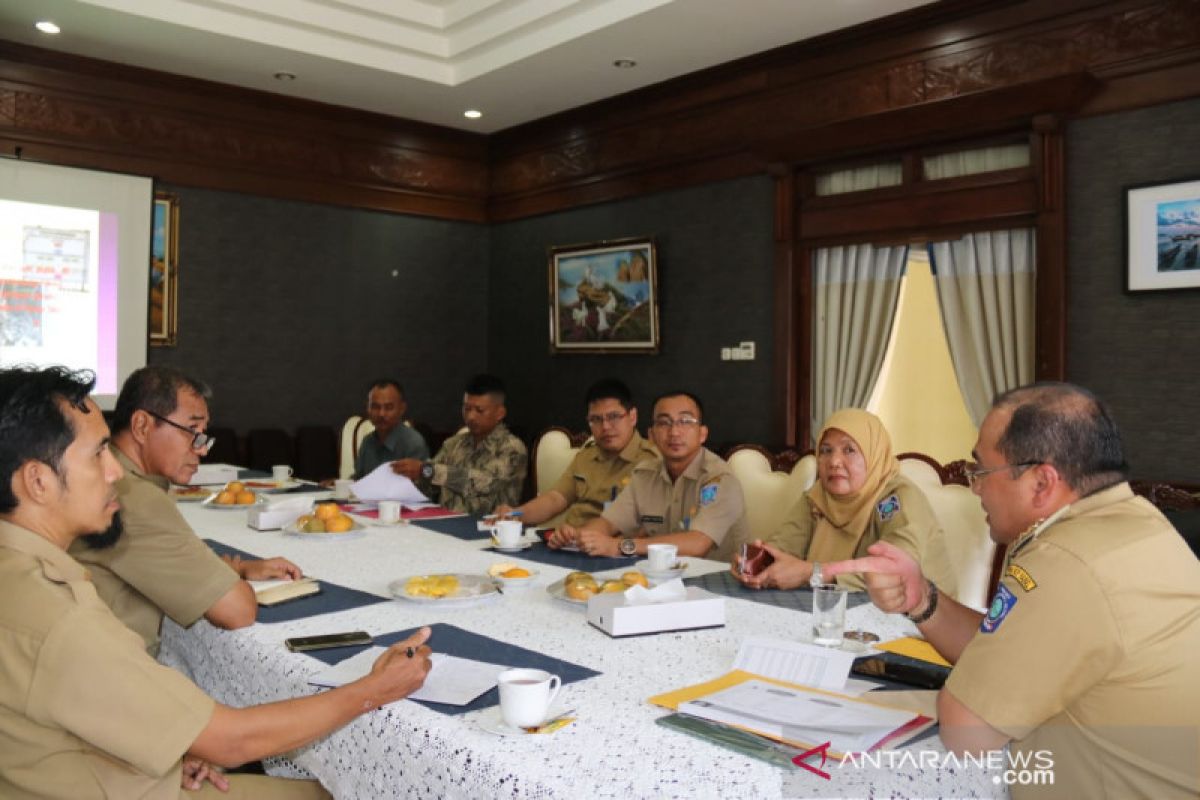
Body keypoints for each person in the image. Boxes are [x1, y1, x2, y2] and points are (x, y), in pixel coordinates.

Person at [0, 365, 433, 799]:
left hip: (78, 764)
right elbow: (233, 741)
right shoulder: (64, 617)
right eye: (97, 454)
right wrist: (375, 689)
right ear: (38, 481)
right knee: (335, 792)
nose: (115, 471)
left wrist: (167, 748)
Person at [824, 382, 1200, 798]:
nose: (975, 487)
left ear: (1041, 483)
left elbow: (966, 732)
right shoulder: (1137, 523)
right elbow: (1011, 649)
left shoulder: (1066, 562)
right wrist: (922, 599)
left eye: (981, 471)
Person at [70, 366, 302, 655]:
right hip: (112, 677)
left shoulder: (108, 481)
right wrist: (229, 580)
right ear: (142, 426)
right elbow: (237, 611)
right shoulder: (131, 495)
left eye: (203, 435)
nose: (202, 450)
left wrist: (237, 569)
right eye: (191, 431)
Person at [732, 408, 957, 596]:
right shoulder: (818, 496)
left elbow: (896, 570)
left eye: (849, 450)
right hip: (837, 612)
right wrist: (757, 562)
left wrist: (814, 573)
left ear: (874, 454)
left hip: (916, 622)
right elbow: (785, 546)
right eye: (826, 451)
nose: (834, 462)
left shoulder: (897, 498)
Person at [549, 390, 747, 561]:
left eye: (685, 421)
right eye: (664, 423)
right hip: (657, 578)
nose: (674, 432)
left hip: (717, 585)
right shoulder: (645, 474)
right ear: (651, 435)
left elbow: (697, 544)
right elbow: (610, 523)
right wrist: (579, 536)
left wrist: (621, 546)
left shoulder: (720, 479)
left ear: (702, 434)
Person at [494, 378, 658, 527]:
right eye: (596, 419)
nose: (606, 427)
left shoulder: (652, 460)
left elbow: (647, 525)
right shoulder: (585, 456)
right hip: (568, 542)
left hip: (613, 547)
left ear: (633, 417)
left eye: (614, 417)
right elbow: (555, 499)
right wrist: (515, 514)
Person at [394, 374, 527, 515]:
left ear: (500, 413)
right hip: (444, 523)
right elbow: (430, 485)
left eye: (479, 410)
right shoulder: (454, 443)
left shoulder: (512, 449)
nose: (471, 416)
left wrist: (427, 471)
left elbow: (484, 484)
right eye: (467, 409)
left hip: (489, 529)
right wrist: (408, 477)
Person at [354, 379, 429, 479]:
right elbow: (358, 479)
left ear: (402, 409)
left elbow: (423, 487)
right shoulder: (367, 441)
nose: (381, 414)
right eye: (375, 407)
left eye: (389, 407)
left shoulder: (413, 444)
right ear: (368, 409)